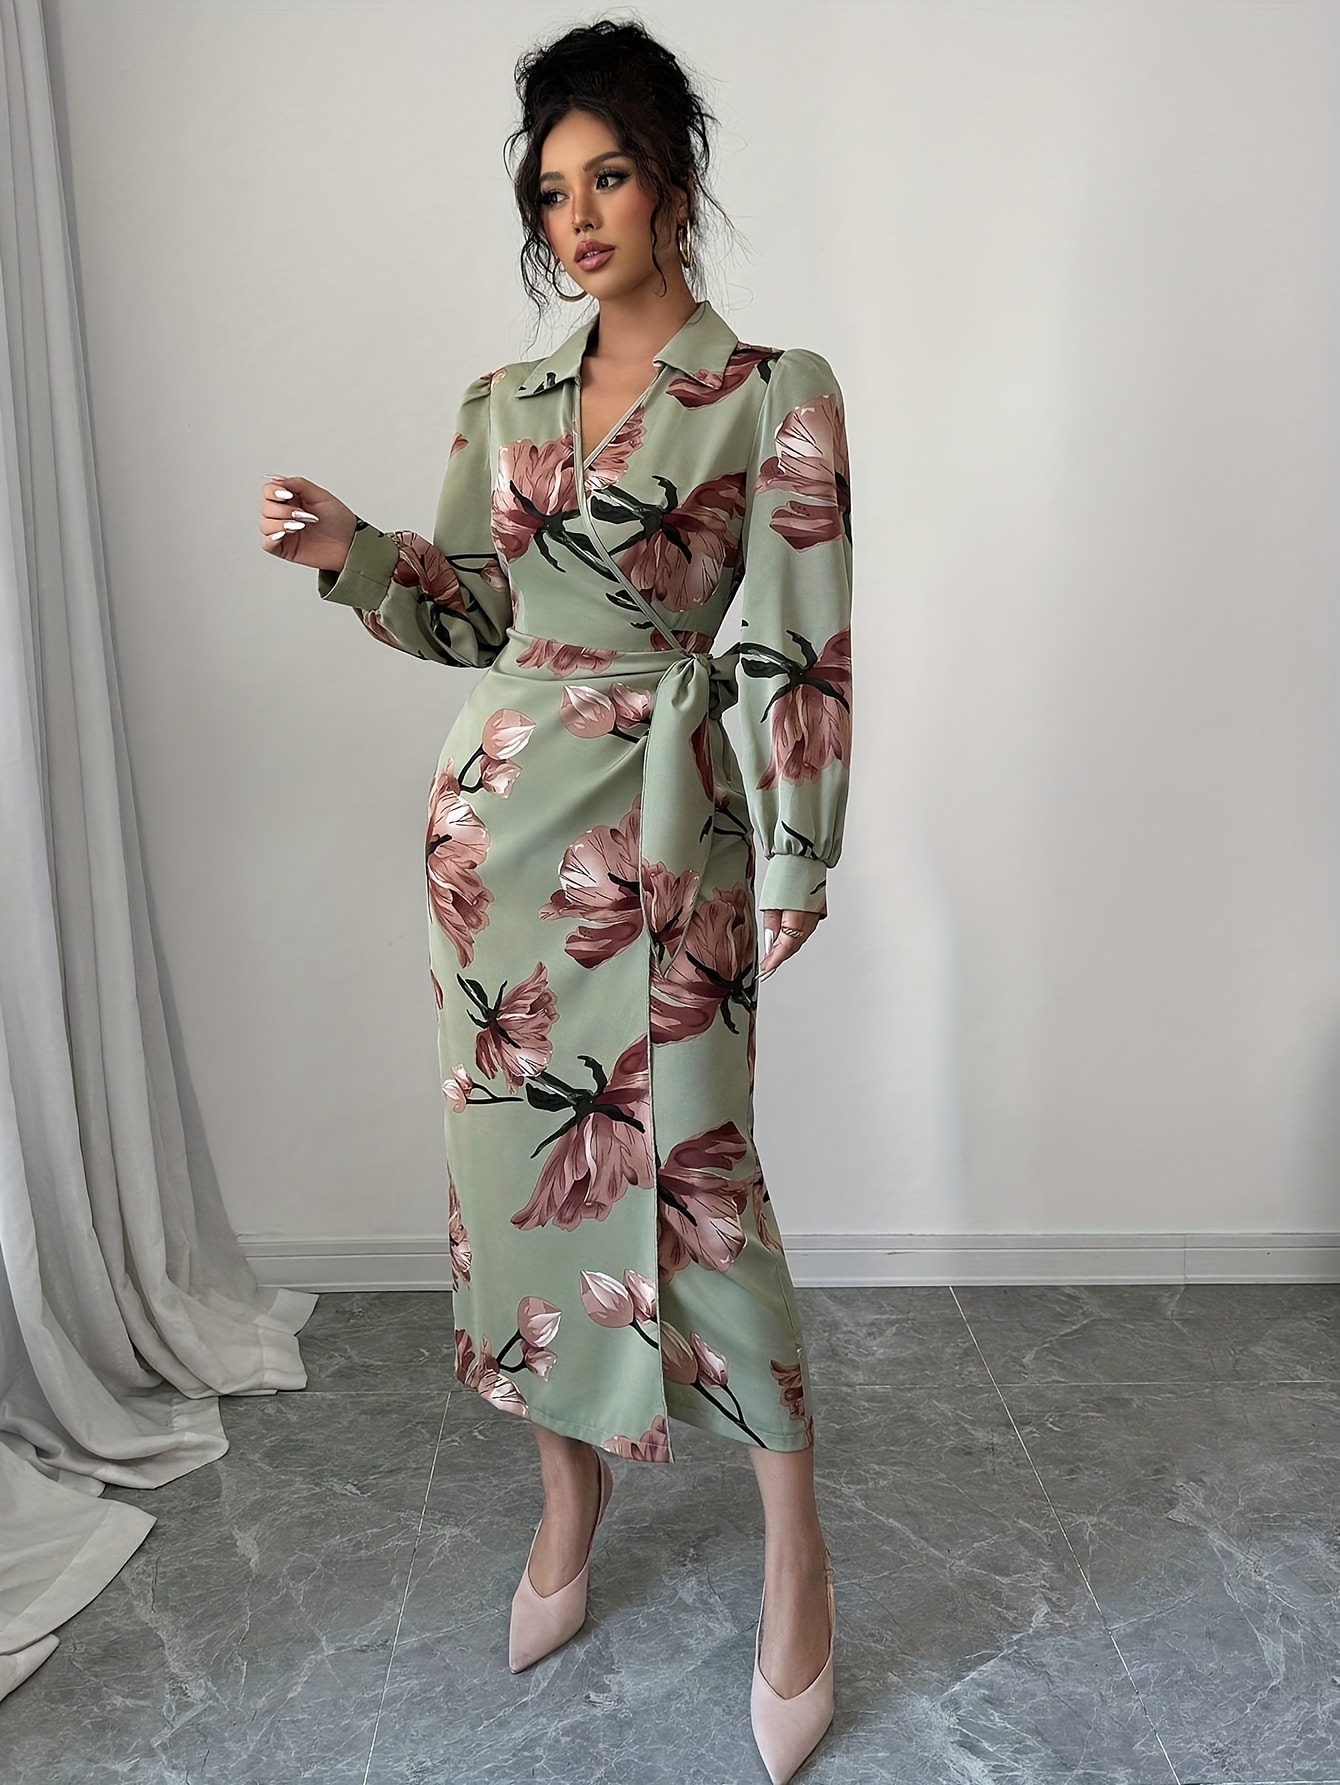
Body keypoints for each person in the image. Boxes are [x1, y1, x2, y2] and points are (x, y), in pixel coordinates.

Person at [258, 19, 852, 1781]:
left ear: (674, 179)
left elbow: (803, 637)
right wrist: (355, 552)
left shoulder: (773, 390)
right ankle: (566, 1503)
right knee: (517, 1192)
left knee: (704, 1189)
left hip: (668, 833)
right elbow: (470, 613)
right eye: (550, 193)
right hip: (493, 844)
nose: (578, 217)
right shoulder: (501, 405)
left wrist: (801, 845)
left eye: (608, 178)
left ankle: (800, 1562)